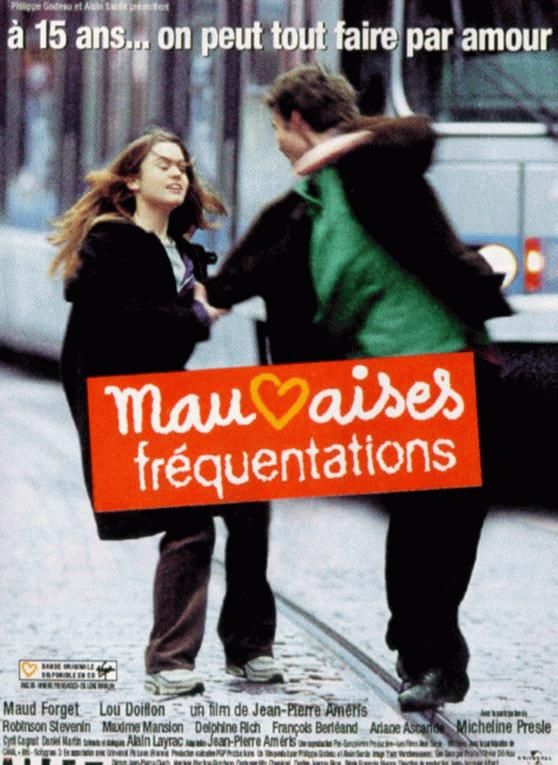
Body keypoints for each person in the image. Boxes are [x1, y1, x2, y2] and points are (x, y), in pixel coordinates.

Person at [207, 66, 512, 711]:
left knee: (450, 523)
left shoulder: (379, 169)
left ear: (296, 120)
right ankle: (425, 654)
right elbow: (233, 281)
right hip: (384, 387)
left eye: (277, 127)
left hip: (450, 365)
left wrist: (349, 140)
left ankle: (432, 655)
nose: (278, 142)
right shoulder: (302, 207)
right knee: (416, 526)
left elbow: (415, 133)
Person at [50, 129, 283, 696]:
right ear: (132, 180)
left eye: (184, 166)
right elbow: (125, 324)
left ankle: (249, 647)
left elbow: (172, 329)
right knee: (190, 518)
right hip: (126, 410)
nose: (178, 174)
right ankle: (169, 662)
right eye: (164, 165)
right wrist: (195, 318)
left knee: (250, 498)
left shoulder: (184, 255)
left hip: (170, 404)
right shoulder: (108, 244)